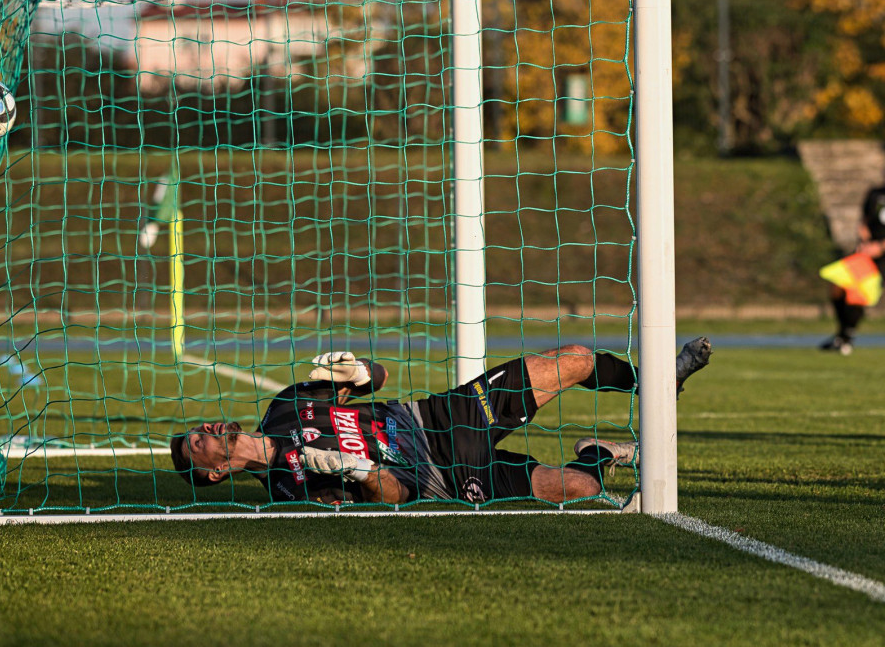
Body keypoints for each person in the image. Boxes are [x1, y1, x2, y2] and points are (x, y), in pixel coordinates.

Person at [170, 338, 713, 506]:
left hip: (437, 417)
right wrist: (358, 472)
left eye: (203, 426)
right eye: (200, 441)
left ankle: (658, 383)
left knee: (572, 358)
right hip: (443, 478)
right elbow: (395, 496)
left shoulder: (285, 405)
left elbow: (377, 376)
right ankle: (598, 454)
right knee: (580, 486)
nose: (211, 428)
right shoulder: (289, 490)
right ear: (215, 473)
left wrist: (358, 370)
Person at [821, 181, 885, 355]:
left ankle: (845, 338)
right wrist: (864, 239)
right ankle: (843, 336)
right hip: (866, 251)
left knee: (858, 294)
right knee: (839, 285)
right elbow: (864, 219)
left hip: (881, 255)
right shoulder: (875, 193)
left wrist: (879, 247)